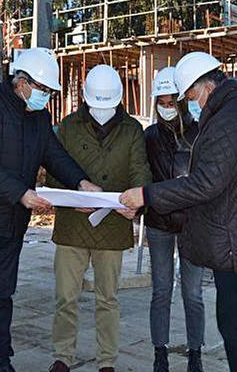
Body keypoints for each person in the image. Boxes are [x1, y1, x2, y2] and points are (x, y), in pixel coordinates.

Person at [0, 47, 102, 372]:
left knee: (2, 296)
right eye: (42, 90)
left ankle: (0, 362)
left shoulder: (38, 116)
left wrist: (82, 184)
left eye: (49, 92)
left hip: (10, 224)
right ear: (22, 82)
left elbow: (54, 154)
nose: (46, 97)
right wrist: (21, 194)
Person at [120, 52, 237, 372]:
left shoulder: (228, 119)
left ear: (205, 86)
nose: (191, 103)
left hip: (235, 242)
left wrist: (147, 194)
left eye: (191, 95)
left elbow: (206, 183)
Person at [47, 64, 152, 372]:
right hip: (72, 227)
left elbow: (140, 169)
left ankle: (106, 362)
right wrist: (72, 198)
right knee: (66, 297)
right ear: (85, 98)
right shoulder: (68, 126)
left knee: (108, 299)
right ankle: (62, 357)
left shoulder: (132, 129)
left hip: (113, 224)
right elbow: (54, 170)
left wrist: (138, 198)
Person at [144, 67, 205, 372]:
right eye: (162, 103)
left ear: (182, 102)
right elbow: (141, 174)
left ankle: (195, 353)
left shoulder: (199, 133)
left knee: (193, 293)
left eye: (172, 103)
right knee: (161, 290)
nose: (166, 108)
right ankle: (160, 352)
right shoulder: (150, 136)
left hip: (192, 224)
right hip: (158, 224)